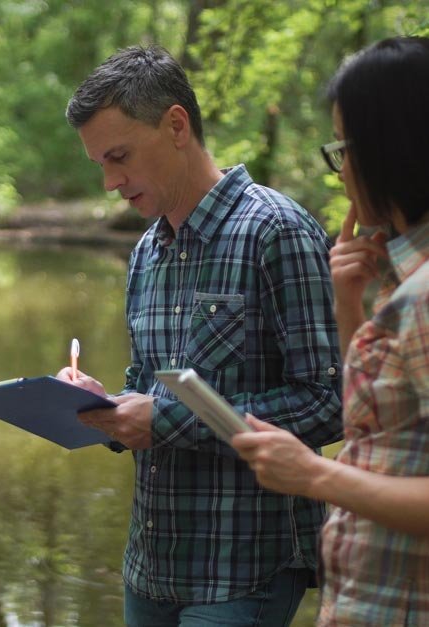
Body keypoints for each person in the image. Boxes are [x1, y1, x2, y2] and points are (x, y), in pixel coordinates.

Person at [58, 45, 343, 626]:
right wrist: (102, 405)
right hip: (150, 567)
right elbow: (145, 388)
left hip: (245, 567)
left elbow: (327, 404)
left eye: (120, 157)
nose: (111, 183)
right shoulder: (145, 252)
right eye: (100, 166)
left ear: (176, 125)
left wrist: (162, 420)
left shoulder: (277, 230)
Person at [232, 36, 429, 626]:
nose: (340, 172)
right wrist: (349, 304)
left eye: (345, 148)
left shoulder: (423, 296)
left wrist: (314, 474)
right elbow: (381, 432)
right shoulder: (400, 282)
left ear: (393, 149)